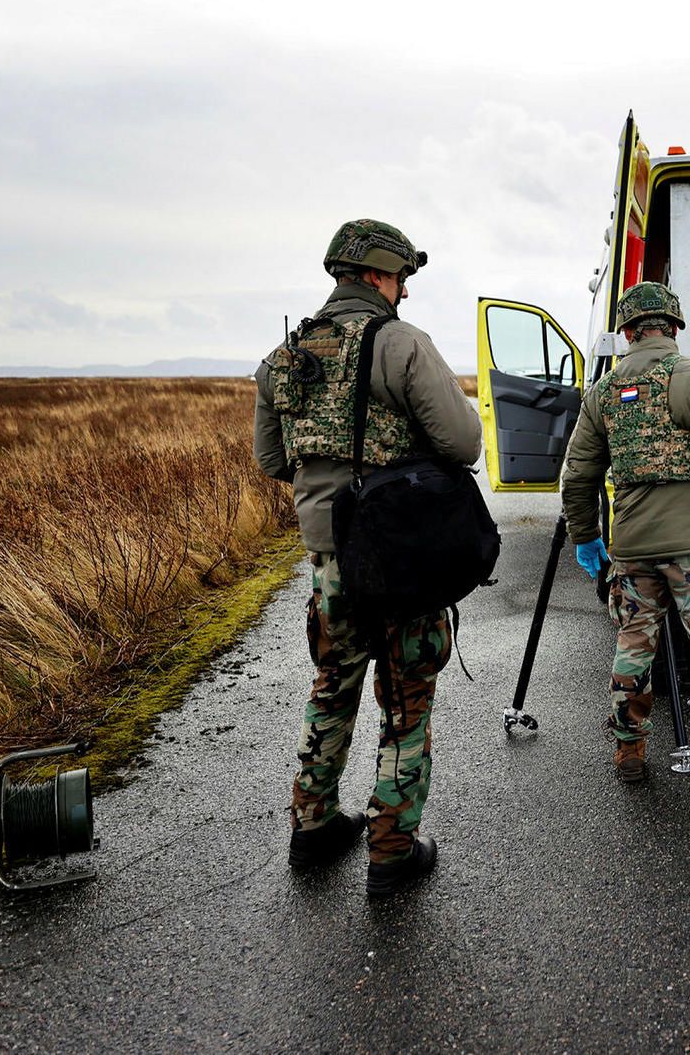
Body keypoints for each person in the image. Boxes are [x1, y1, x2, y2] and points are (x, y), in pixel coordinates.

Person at [254, 218, 482, 896]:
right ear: (383, 276)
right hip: (401, 558)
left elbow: (273, 459)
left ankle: (313, 824)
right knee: (406, 699)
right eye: (402, 278)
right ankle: (392, 848)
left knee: (333, 685)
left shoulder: (283, 356)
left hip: (329, 561)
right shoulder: (401, 344)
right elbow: (464, 440)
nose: (404, 291)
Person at [560, 281, 690, 800]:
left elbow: (578, 476)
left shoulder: (603, 393)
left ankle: (629, 751)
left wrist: (586, 537)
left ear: (628, 332)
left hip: (632, 547)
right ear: (674, 327)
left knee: (633, 646)